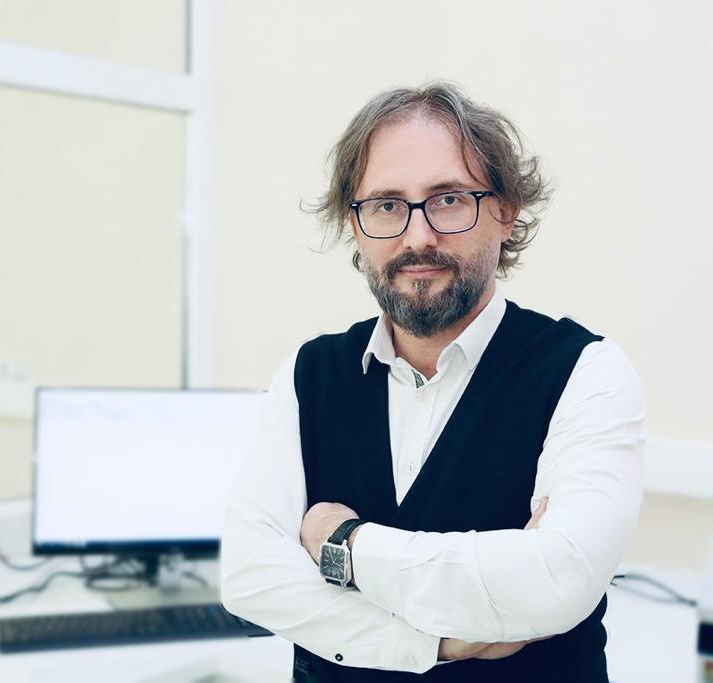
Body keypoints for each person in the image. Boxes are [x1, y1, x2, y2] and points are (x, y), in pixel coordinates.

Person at [221, 81, 645, 682]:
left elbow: (557, 581)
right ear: (355, 224)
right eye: (386, 205)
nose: (417, 236)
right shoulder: (308, 373)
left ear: (505, 212)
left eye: (448, 200)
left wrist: (341, 542)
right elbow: (249, 577)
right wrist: (432, 642)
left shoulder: (585, 371)